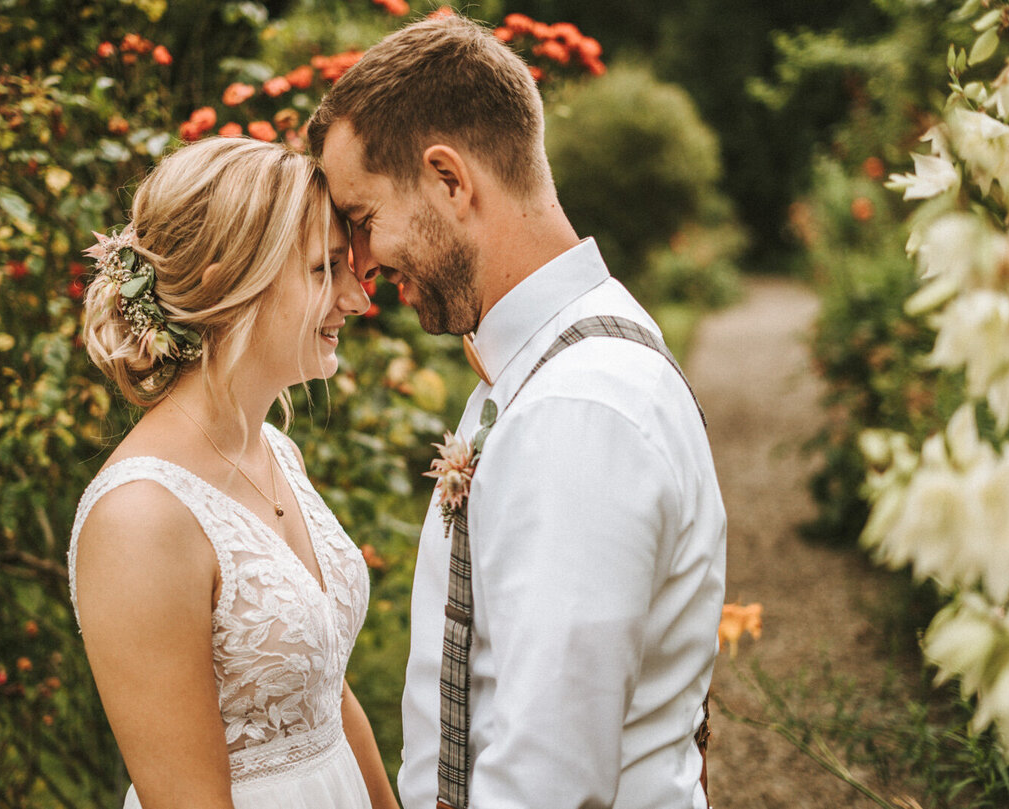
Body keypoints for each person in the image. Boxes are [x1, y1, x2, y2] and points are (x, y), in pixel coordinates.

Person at [310, 14, 727, 809]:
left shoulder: (578, 408)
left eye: (364, 220)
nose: (359, 264)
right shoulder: (563, 362)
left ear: (449, 179)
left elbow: (548, 776)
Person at [66, 136, 399, 809]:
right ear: (228, 281)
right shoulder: (139, 517)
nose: (357, 300)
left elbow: (327, 692)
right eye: (323, 270)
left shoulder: (277, 451)